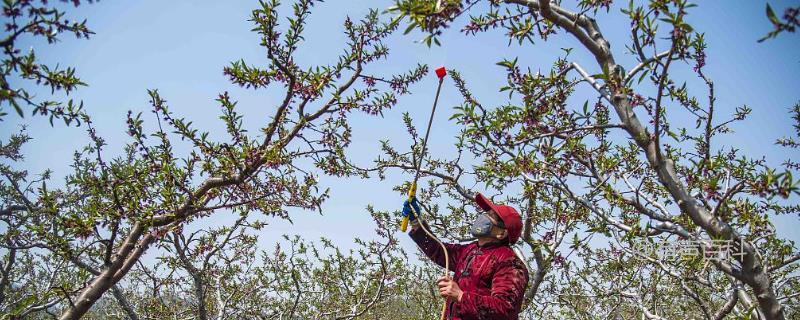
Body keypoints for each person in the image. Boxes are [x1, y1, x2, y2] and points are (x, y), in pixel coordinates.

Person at [402, 192, 529, 320]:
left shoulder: (510, 263)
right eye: (486, 213)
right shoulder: (470, 250)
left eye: (491, 216)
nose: (484, 216)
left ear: (502, 233)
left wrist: (460, 296)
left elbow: (505, 308)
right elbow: (440, 251)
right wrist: (417, 223)